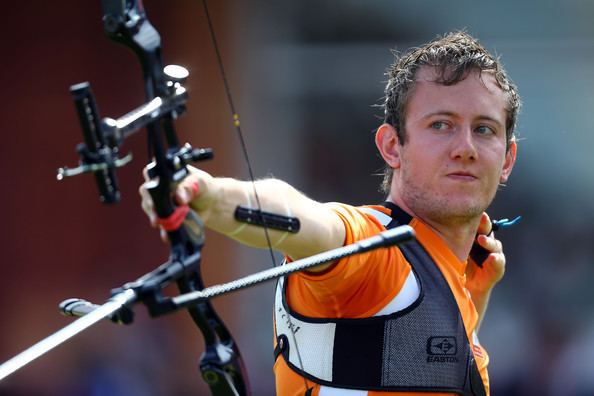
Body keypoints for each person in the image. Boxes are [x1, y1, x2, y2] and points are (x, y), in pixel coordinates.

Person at [140, 31, 519, 396]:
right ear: (391, 146)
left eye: (484, 129)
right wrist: (209, 196)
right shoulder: (375, 250)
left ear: (507, 159)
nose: (465, 147)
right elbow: (306, 220)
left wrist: (471, 295)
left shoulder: (452, 272)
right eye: (441, 125)